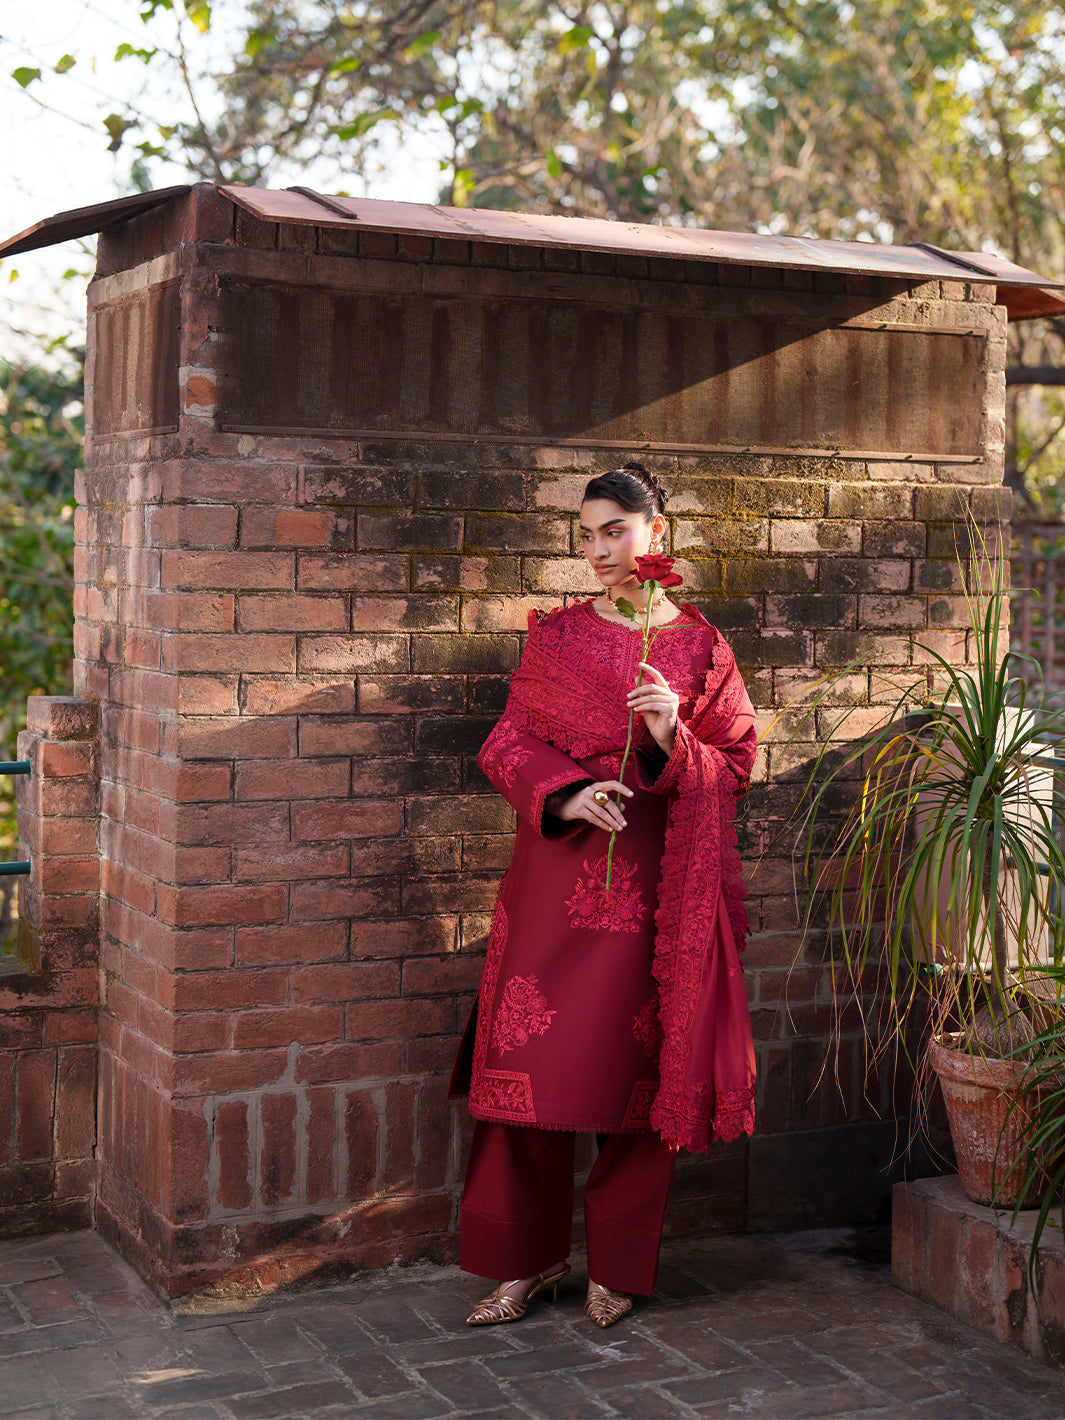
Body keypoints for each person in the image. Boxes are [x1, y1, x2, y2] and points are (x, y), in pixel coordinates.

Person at [448, 462, 757, 1329]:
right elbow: (504, 742)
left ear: (657, 532)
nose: (597, 550)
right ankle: (524, 1261)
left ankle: (615, 1267)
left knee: (635, 1080)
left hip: (654, 895)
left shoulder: (701, 648)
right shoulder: (555, 637)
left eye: (613, 530)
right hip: (553, 880)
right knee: (520, 1074)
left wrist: (668, 737)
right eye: (586, 535)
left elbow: (735, 766)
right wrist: (569, 792)